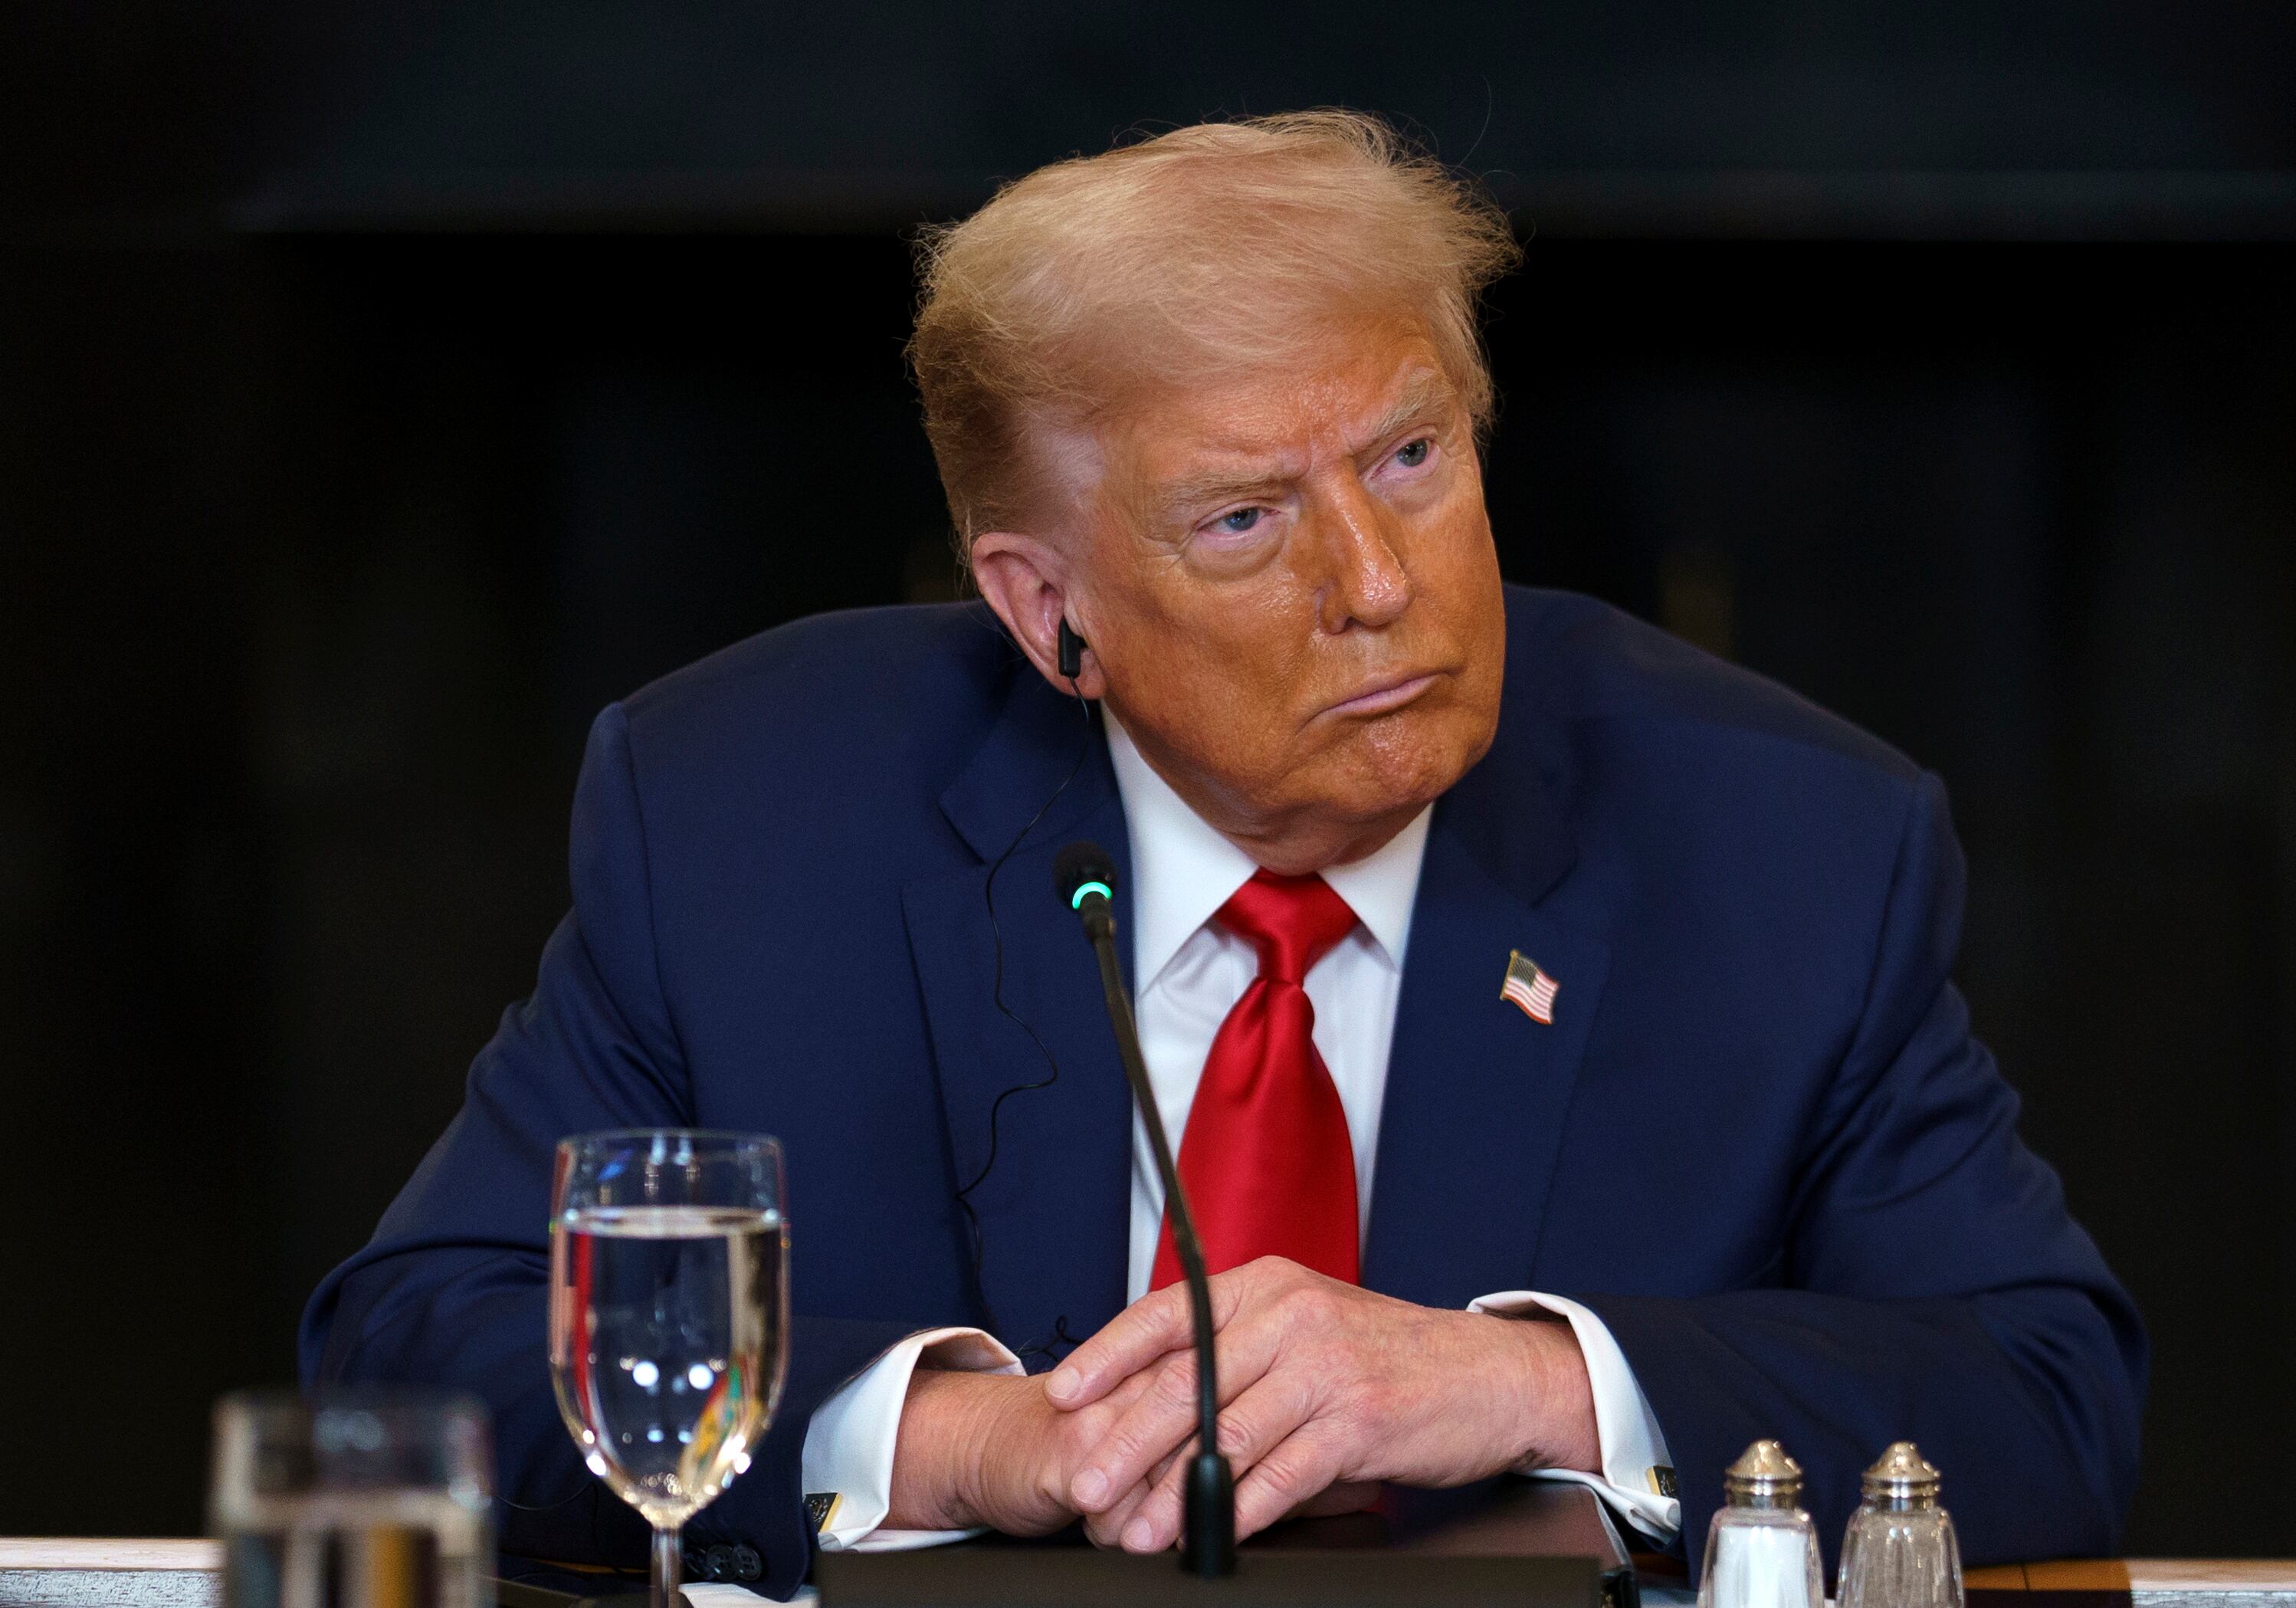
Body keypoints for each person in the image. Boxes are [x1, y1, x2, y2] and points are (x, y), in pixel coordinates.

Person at [300, 112, 2146, 1597]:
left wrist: (1521, 1383)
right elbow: (410, 1356)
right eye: (1245, 517)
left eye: (1411, 456)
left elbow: (2045, 1398)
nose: (1372, 582)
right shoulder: (746, 817)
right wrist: (944, 1437)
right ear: (1048, 612)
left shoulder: (1785, 842)